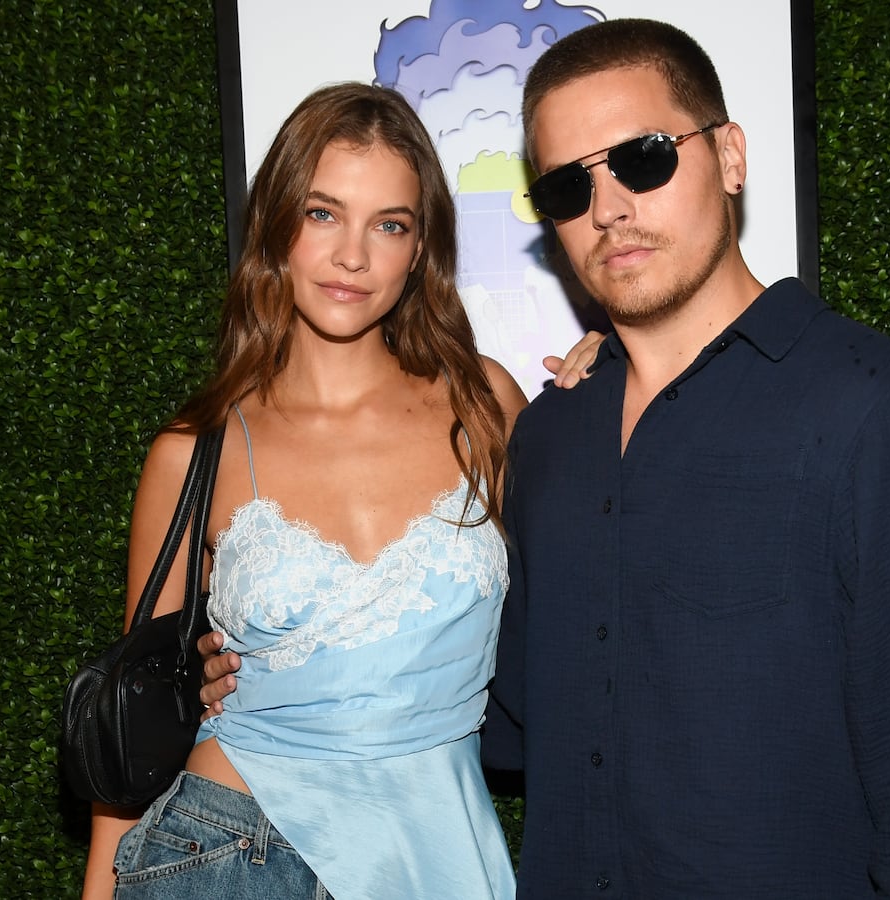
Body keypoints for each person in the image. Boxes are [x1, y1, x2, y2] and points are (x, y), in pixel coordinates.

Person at [203, 18, 890, 898]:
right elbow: (498, 698)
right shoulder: (555, 433)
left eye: (644, 157)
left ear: (732, 157)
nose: (609, 208)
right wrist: (276, 679)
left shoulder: (871, 405)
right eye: (566, 185)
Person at [83, 82, 598, 899]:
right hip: (223, 853)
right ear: (276, 225)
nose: (353, 256)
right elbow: (125, 733)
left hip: (441, 854)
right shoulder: (194, 451)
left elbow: (602, 594)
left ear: (419, 248)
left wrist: (619, 379)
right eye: (323, 213)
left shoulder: (485, 406)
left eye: (388, 224)